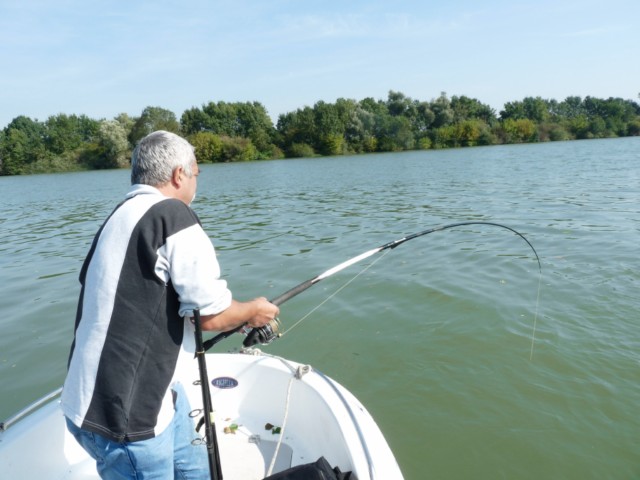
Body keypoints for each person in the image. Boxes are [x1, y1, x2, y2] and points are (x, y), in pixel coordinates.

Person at [61, 130, 279, 479]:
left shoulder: (117, 217)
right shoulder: (173, 216)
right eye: (196, 173)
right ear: (180, 174)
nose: (196, 182)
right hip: (127, 421)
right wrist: (255, 310)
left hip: (108, 402)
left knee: (197, 472)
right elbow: (211, 315)